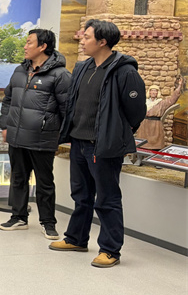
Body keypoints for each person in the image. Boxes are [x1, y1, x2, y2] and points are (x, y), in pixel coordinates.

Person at [50, 19, 146, 268]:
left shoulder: (125, 72)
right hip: (79, 142)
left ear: (102, 41)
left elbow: (137, 110)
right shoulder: (83, 67)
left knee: (107, 198)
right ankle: (76, 239)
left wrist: (117, 132)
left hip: (103, 145)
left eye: (87, 37)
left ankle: (110, 250)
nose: (82, 40)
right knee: (81, 195)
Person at [0, 29, 71, 240]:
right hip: (16, 136)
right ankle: (18, 217)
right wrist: (5, 126)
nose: (25, 46)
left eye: (29, 42)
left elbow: (68, 110)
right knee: (18, 179)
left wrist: (60, 136)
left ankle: (48, 223)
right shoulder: (19, 71)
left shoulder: (61, 75)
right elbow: (7, 100)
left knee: (45, 183)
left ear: (43, 46)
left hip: (42, 139)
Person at [136, 77, 183, 149]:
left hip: (156, 127)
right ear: (149, 92)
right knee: (142, 146)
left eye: (155, 91)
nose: (153, 92)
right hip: (144, 127)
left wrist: (179, 86)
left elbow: (172, 100)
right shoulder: (144, 102)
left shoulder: (161, 103)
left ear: (157, 93)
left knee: (156, 147)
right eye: (152, 90)